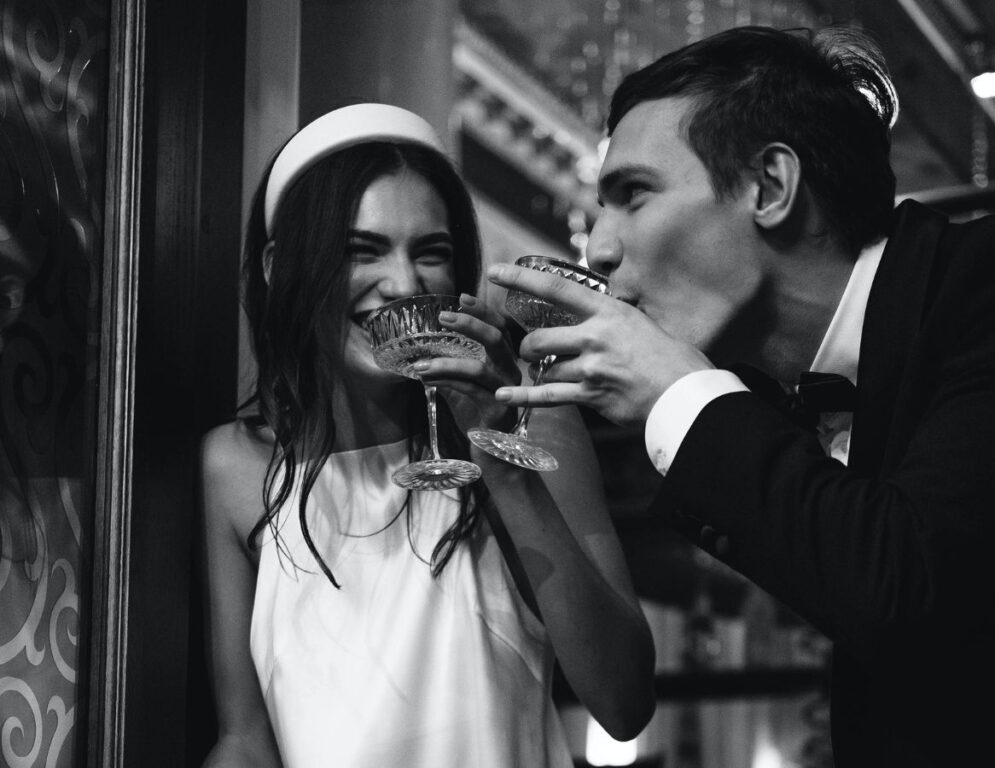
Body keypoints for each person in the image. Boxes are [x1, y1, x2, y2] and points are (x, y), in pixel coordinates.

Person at [486, 25, 995, 768]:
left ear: (770, 187)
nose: (598, 249)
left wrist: (678, 392)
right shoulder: (785, 403)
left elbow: (907, 588)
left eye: (632, 194)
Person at [199, 103, 655, 768]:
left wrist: (500, 460)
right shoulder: (235, 466)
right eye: (363, 250)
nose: (403, 285)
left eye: (431, 253)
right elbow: (244, 739)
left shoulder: (533, 419)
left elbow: (622, 701)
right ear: (278, 264)